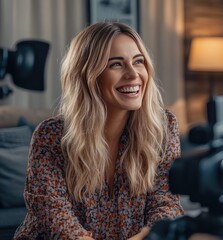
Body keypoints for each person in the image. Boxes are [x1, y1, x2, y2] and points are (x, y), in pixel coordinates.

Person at [14, 22, 184, 239]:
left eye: (138, 61)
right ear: (88, 75)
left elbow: (166, 203)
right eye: (116, 64)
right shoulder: (51, 135)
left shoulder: (163, 127)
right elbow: (58, 220)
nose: (133, 74)